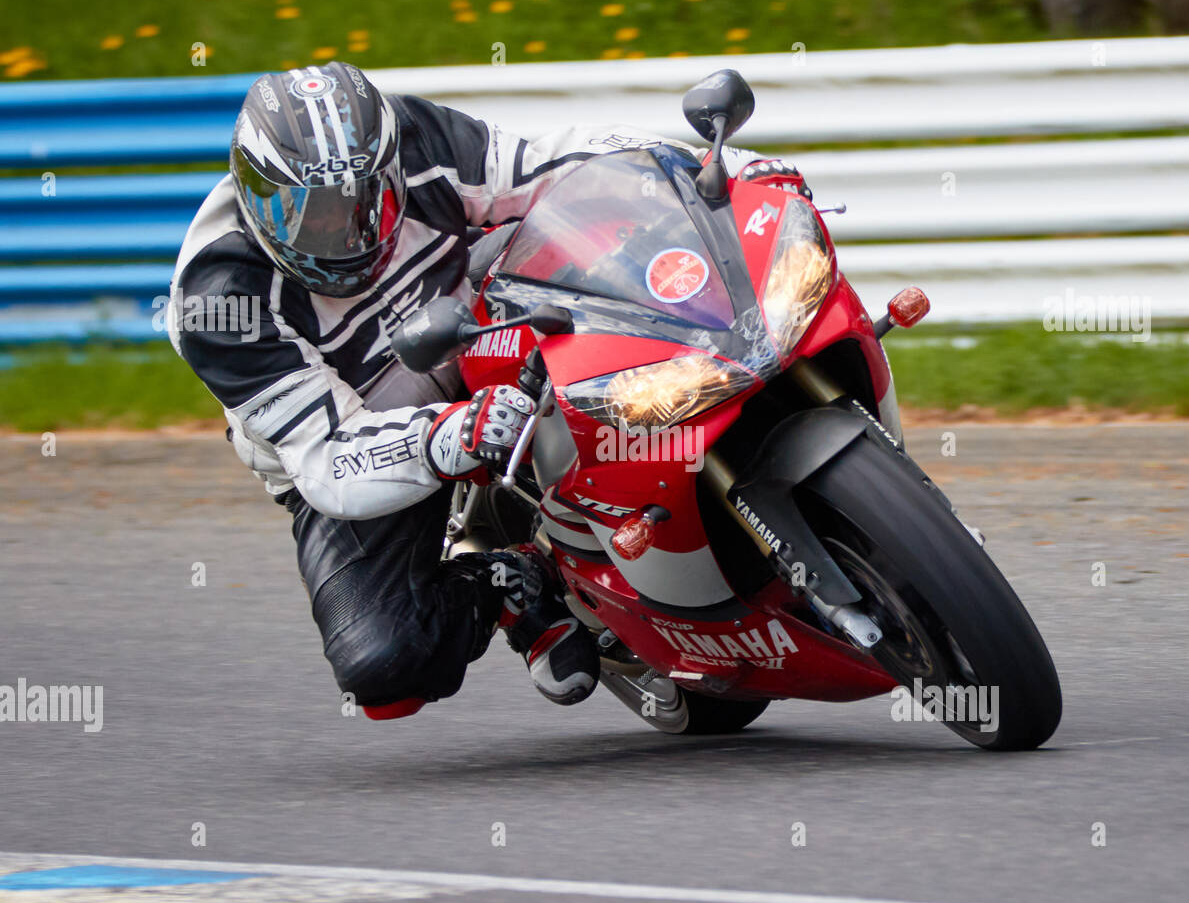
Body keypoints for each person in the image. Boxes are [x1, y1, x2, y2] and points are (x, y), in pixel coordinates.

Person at [167, 61, 811, 721]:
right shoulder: (218, 300)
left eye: (370, 198)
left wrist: (737, 171)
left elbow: (560, 163)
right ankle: (509, 584)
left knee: (601, 253)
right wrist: (445, 436)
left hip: (479, 326)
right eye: (316, 215)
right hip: (368, 446)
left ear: (390, 164)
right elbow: (328, 460)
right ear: (254, 197)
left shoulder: (415, 139)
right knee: (384, 665)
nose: (350, 230)